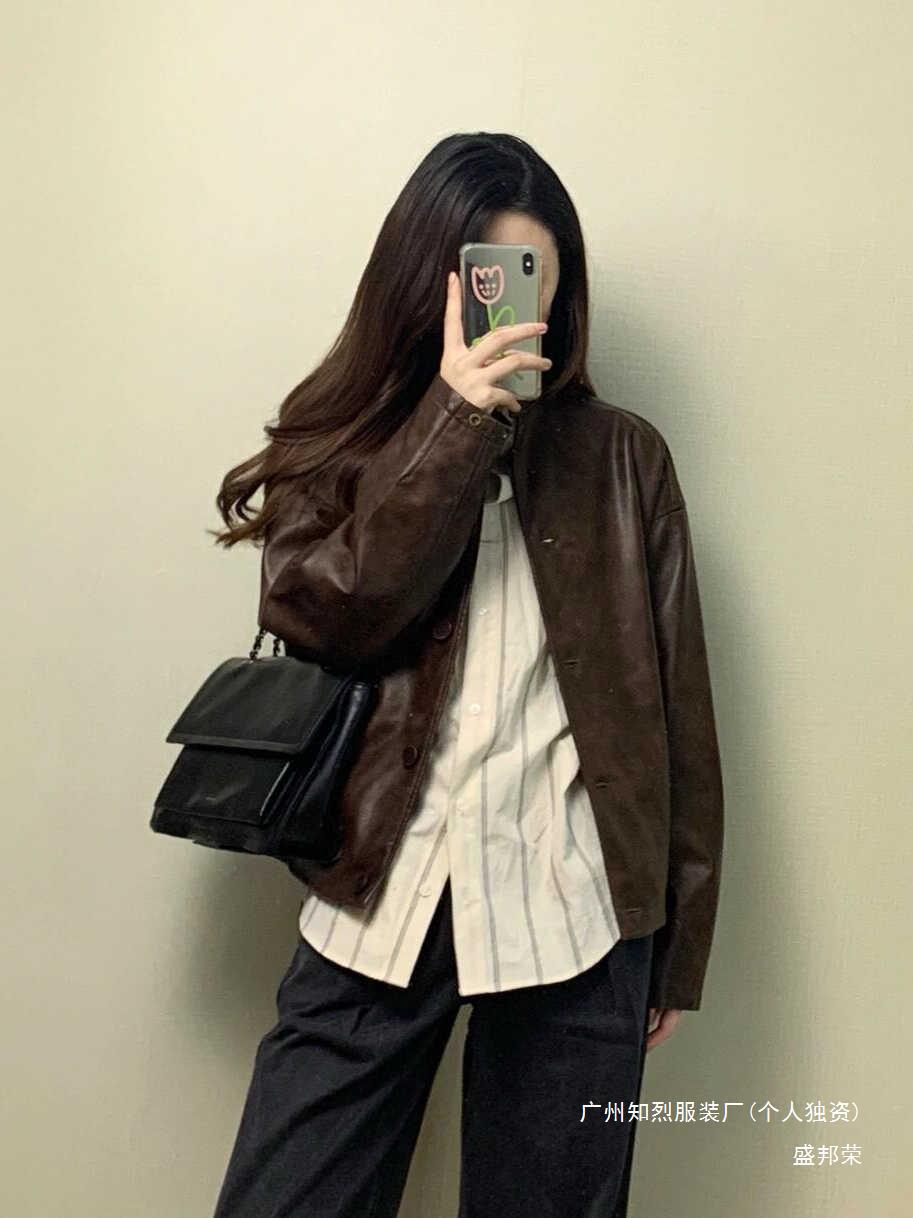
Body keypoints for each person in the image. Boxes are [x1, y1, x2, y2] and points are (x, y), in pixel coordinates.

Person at [208, 131, 724, 1218]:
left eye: (537, 278)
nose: (515, 309)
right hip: (377, 897)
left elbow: (676, 713)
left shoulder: (623, 459)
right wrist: (453, 424)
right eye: (490, 278)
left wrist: (674, 948)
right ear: (426, 284)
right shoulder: (342, 441)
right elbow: (329, 619)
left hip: (576, 917)